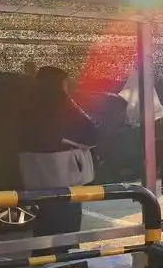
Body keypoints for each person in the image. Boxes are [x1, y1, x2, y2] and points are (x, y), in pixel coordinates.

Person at [16, 66, 100, 238]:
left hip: (34, 178)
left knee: (43, 227)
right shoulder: (62, 106)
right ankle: (65, 262)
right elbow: (91, 133)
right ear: (58, 84)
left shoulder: (26, 106)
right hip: (63, 177)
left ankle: (42, 260)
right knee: (65, 229)